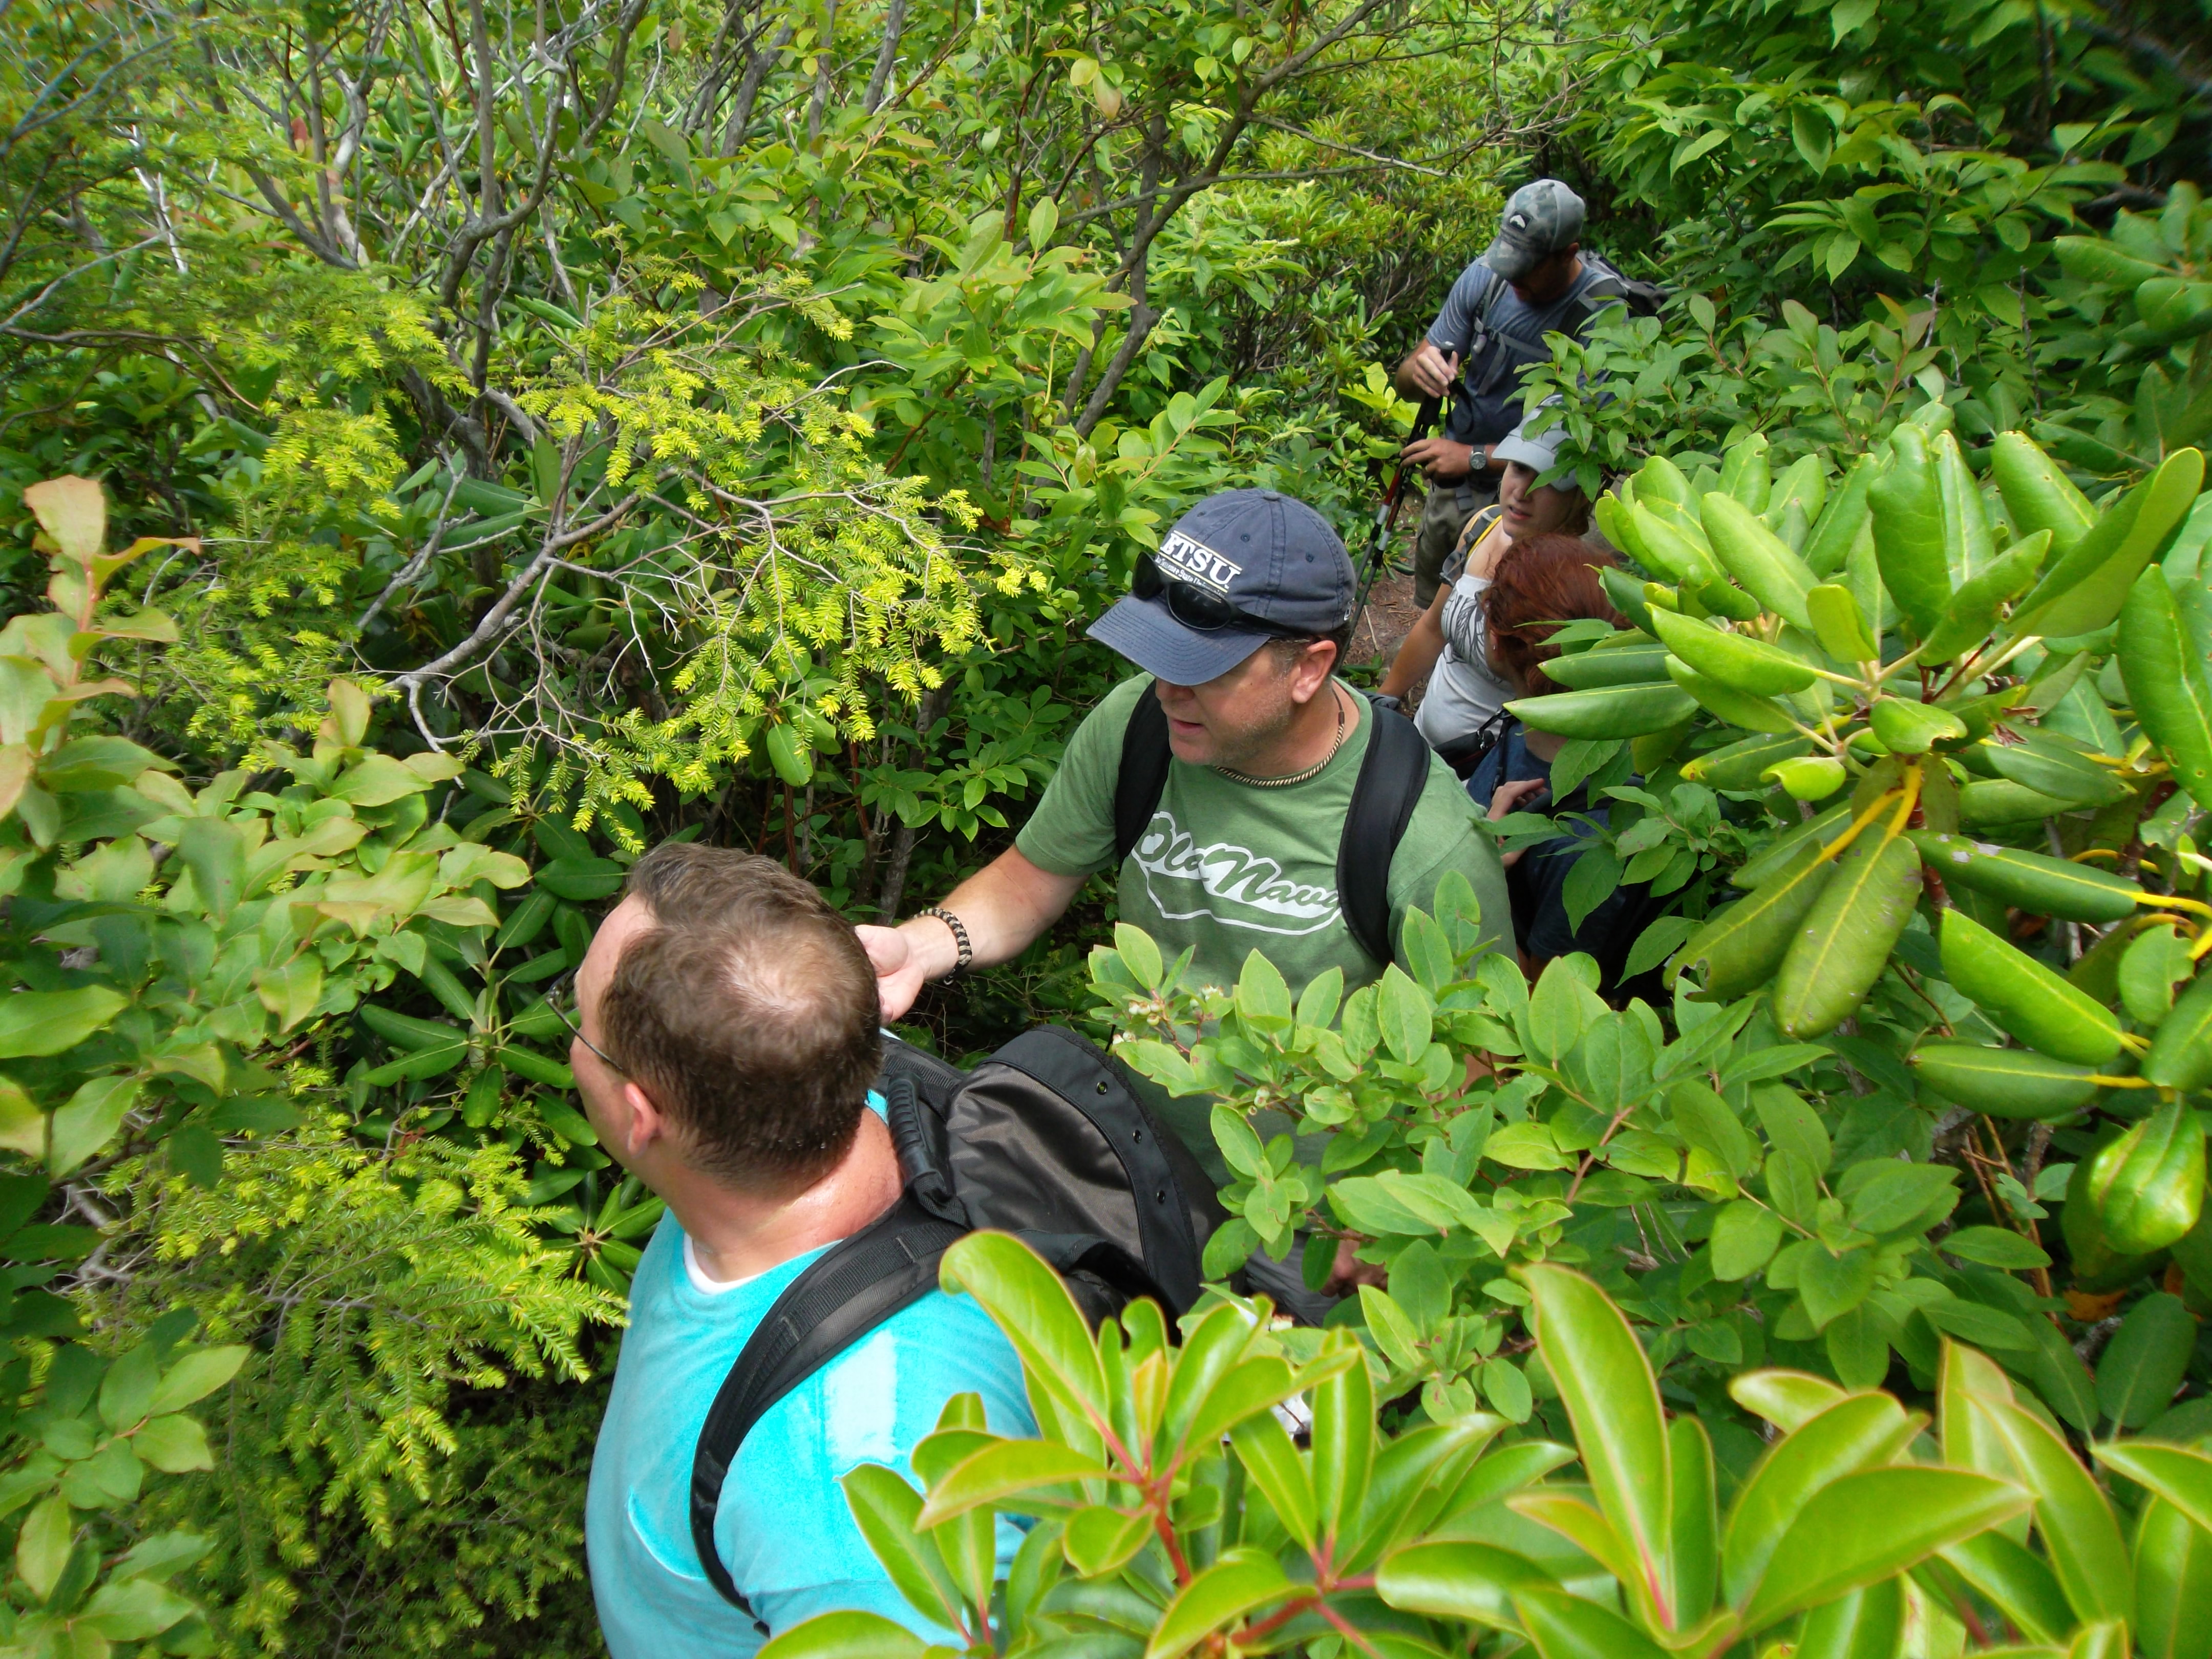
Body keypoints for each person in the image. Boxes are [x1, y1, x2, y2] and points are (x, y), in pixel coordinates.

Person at [858, 487, 1512, 1320]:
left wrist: (1402, 1207)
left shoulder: (1424, 837)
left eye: (1204, 668)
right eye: (1158, 654)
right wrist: (920, 948)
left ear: (1309, 667)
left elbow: (1479, 1059)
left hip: (1305, 1218)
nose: (1168, 687)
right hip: (1133, 1159)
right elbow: (1029, 881)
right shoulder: (1139, 729)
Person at [576, 844, 1035, 1657]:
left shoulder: (846, 1493)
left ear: (641, 1116)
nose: (573, 1041)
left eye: (577, 1023)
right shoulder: (824, 1088)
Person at [1394, 179, 1633, 607]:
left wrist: (1472, 456)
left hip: (1538, 498)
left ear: (1568, 254)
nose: (1513, 276)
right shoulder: (1486, 277)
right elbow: (1405, 384)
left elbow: (1585, 447)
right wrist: (1419, 372)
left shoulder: (1603, 314)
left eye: (1527, 266)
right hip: (1457, 485)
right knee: (1437, 605)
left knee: (1505, 607)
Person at [1460, 534, 1651, 983]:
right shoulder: (1532, 730)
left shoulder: (1585, 842)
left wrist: (1478, 877)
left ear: (1497, 641)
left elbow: (1550, 997)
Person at [1377, 414, 1593, 771]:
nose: (1522, 493)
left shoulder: (1571, 589)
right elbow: (1433, 627)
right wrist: (1384, 700)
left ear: (1580, 496)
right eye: (1519, 468)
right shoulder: (1485, 524)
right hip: (1421, 746)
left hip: (1483, 773)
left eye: (1548, 481)